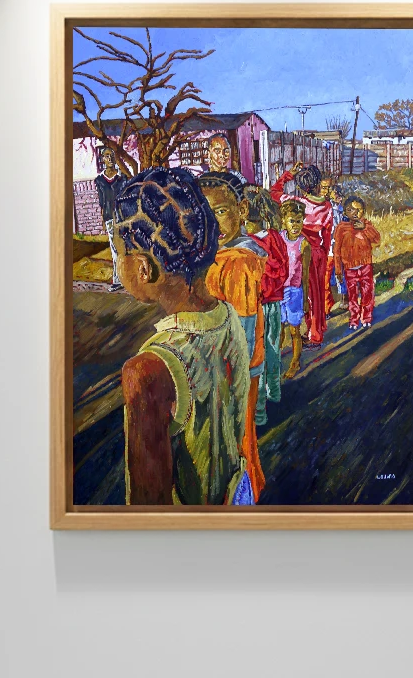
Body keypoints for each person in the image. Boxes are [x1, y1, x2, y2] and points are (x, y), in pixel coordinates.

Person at [116, 167, 254, 506]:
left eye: (119, 252)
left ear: (144, 268)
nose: (117, 263)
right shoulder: (229, 318)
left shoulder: (147, 370)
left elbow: (149, 507)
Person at [198, 171, 268, 499]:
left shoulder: (239, 262)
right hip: (225, 367)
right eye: (204, 215)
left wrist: (231, 379)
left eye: (221, 211)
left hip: (234, 372)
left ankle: (244, 500)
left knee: (236, 443)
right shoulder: (221, 256)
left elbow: (244, 332)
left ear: (242, 210)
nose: (213, 224)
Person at [270, 162, 333, 346]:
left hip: (301, 251)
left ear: (301, 186)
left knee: (306, 293)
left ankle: (313, 335)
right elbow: (327, 236)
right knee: (317, 294)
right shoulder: (327, 207)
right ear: (318, 184)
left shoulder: (297, 203)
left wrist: (287, 175)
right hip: (318, 253)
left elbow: (273, 192)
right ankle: (317, 331)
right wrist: (323, 253)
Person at [243, 185, 289, 421]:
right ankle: (273, 394)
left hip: (260, 305)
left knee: (259, 356)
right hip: (268, 304)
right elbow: (283, 270)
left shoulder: (253, 242)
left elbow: (278, 271)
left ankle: (261, 409)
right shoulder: (272, 238)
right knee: (269, 351)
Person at [333, 196, 382, 331]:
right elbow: (337, 250)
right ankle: (354, 319)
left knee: (367, 293)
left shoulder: (366, 224)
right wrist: (338, 270)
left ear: (363, 212)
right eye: (351, 210)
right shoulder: (341, 228)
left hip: (365, 266)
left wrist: (365, 228)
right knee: (352, 295)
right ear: (345, 212)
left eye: (358, 210)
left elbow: (377, 239)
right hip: (349, 268)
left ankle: (366, 317)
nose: (355, 213)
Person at [278, 199, 311, 379]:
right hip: (279, 290)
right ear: (284, 220)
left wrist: (305, 298)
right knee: (278, 330)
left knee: (294, 330)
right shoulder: (278, 239)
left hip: (295, 291)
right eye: (292, 221)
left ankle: (295, 363)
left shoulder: (304, 244)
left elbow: (305, 275)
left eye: (299, 221)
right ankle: (274, 361)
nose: (296, 225)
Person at [93, 147, 125, 290]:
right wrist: (103, 220)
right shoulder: (100, 180)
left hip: (123, 218)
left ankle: (129, 279)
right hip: (110, 219)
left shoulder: (122, 178)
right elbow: (102, 202)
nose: (110, 158)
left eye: (112, 155)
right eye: (107, 156)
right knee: (115, 250)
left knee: (126, 248)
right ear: (103, 159)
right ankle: (118, 280)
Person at [324, 182, 346, 312]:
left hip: (339, 248)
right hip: (329, 249)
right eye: (335, 193)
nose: (338, 196)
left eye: (339, 194)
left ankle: (343, 299)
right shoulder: (328, 209)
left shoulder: (342, 210)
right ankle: (328, 305)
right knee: (328, 278)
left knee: (340, 274)